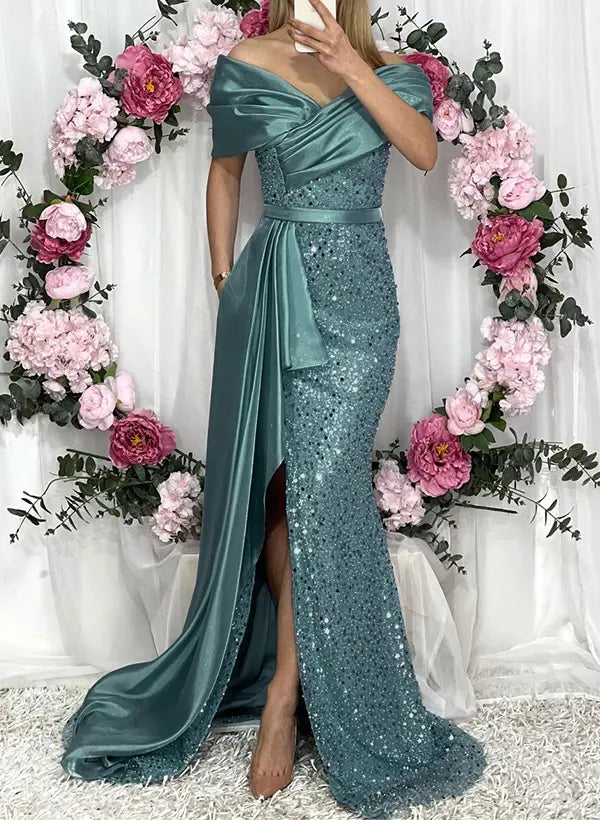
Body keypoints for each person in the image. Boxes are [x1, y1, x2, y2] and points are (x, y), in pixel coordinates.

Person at [61, 0, 487, 815]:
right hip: (271, 290)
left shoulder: (395, 71)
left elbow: (424, 152)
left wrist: (351, 64)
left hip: (361, 304)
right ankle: (289, 680)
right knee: (282, 489)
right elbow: (225, 174)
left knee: (327, 484)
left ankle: (284, 701)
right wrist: (226, 280)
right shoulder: (249, 61)